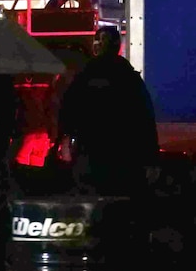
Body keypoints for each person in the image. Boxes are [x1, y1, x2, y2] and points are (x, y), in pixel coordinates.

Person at [56, 26, 159, 197]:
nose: (97, 44)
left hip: (92, 153)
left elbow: (69, 109)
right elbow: (145, 118)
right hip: (123, 155)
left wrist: (65, 140)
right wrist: (151, 158)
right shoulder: (128, 76)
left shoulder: (87, 75)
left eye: (101, 40)